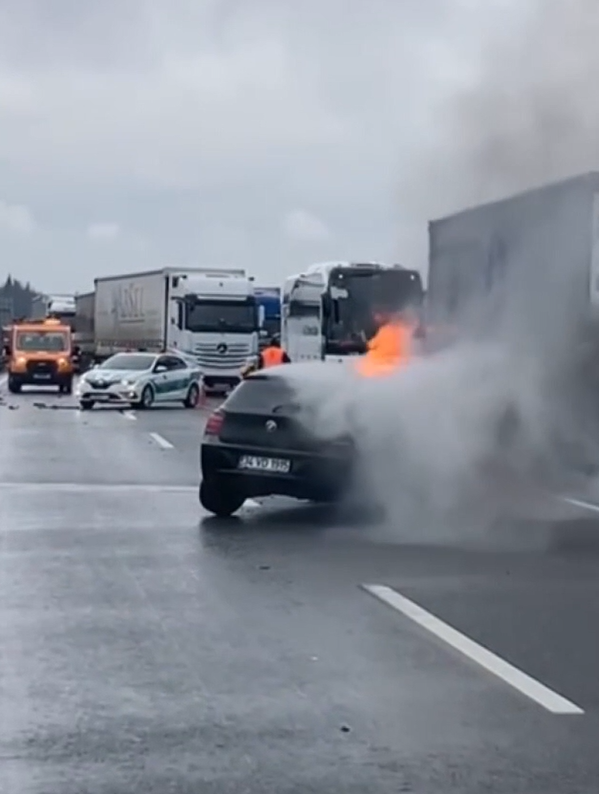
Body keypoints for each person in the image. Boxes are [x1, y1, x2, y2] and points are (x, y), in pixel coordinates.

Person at [354, 304, 416, 378]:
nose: (375, 318)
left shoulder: (385, 331)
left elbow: (370, 345)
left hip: (383, 364)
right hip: (404, 365)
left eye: (377, 314)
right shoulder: (406, 330)